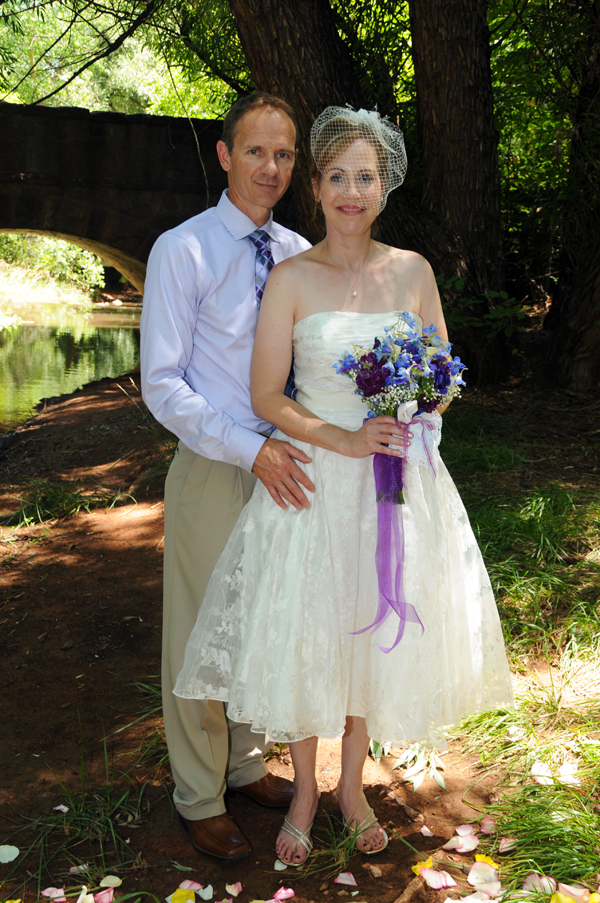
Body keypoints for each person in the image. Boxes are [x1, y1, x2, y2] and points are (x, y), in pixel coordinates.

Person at [174, 106, 514, 866]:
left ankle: (352, 785)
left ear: (385, 186)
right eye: (336, 177)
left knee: (366, 636)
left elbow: (444, 376)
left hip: (393, 482)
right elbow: (267, 395)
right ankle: (301, 788)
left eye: (366, 177)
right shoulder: (292, 277)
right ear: (317, 188)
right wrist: (343, 438)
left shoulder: (413, 270)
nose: (351, 192)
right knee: (309, 630)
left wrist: (414, 407)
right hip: (315, 479)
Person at [140, 92, 313, 862]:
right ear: (224, 155)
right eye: (255, 151)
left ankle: (246, 765)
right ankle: (199, 792)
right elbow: (162, 382)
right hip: (217, 465)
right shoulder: (184, 248)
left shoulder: (302, 249)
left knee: (261, 623)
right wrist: (251, 448)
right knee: (200, 629)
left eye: (283, 155)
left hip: (291, 465)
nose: (270, 167)